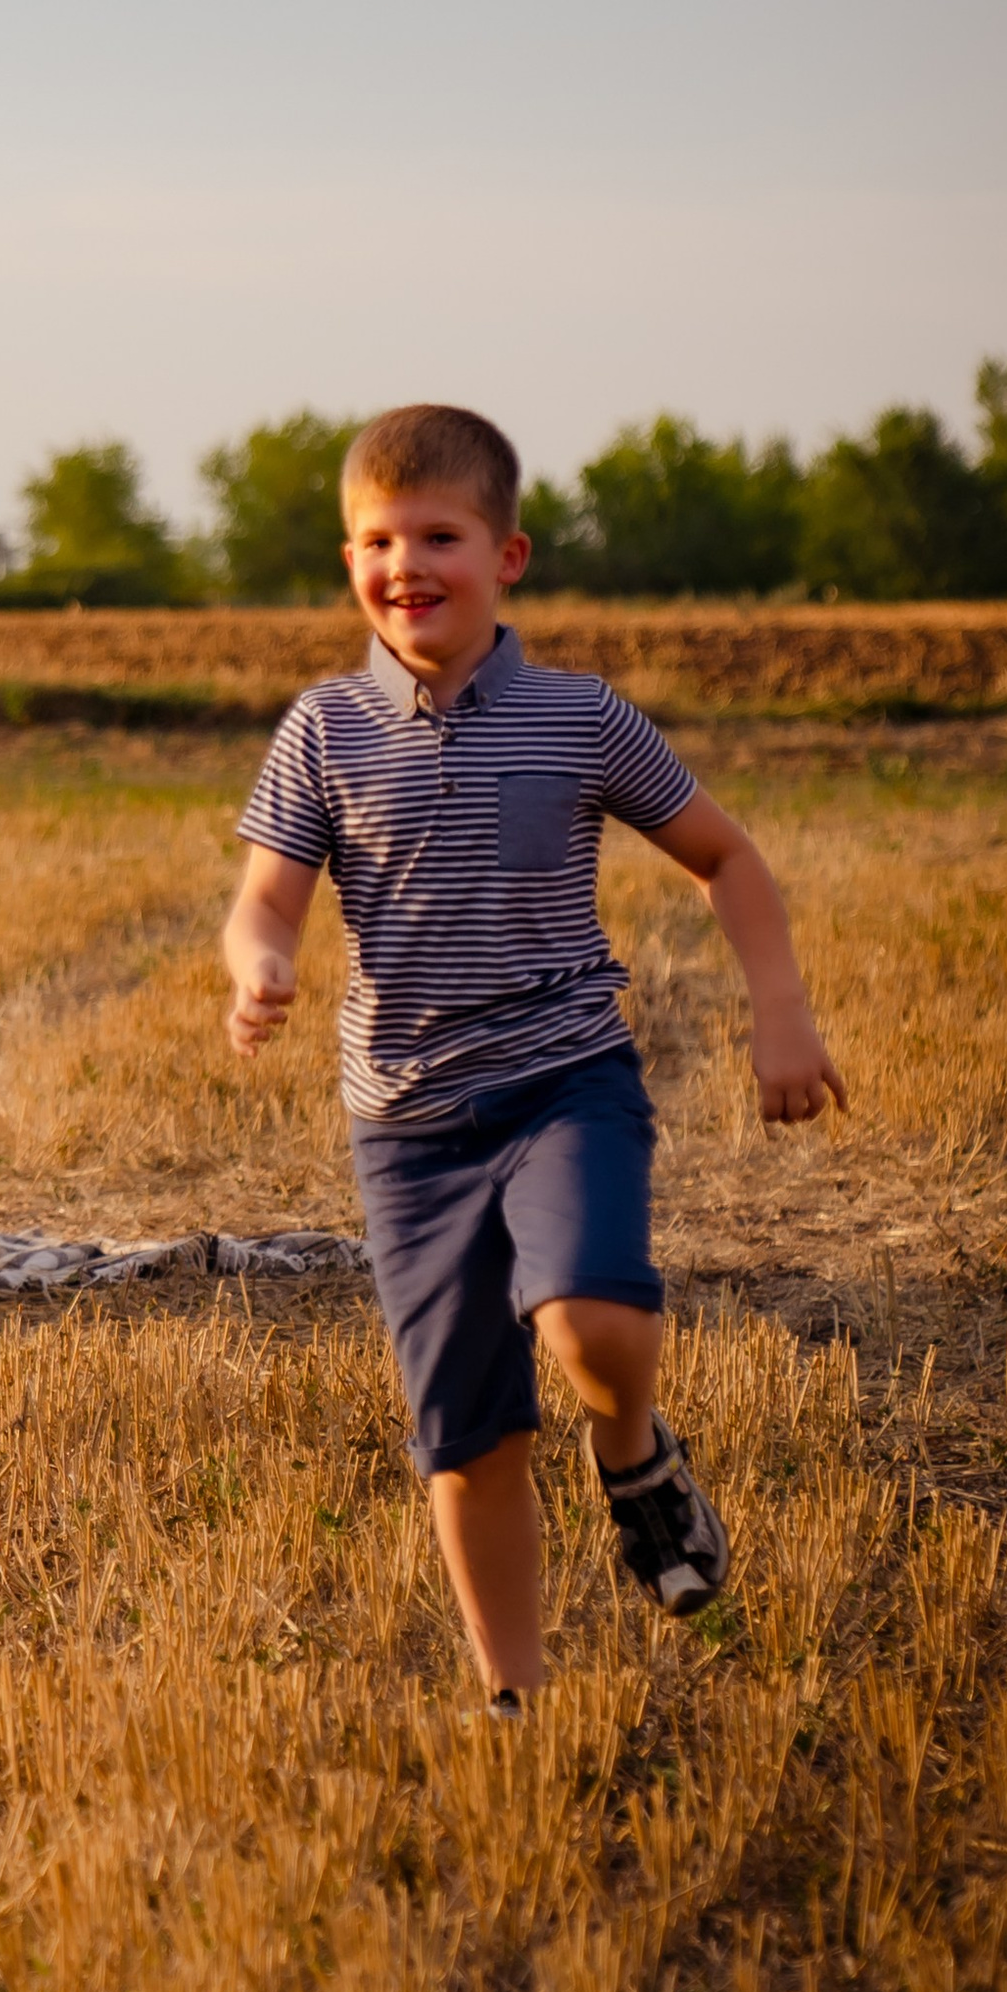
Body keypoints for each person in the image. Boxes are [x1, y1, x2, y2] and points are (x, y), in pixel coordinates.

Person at [221, 402, 843, 1712]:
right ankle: (515, 1698)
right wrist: (261, 958)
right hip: (408, 1127)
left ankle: (632, 1451)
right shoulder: (322, 732)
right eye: (375, 540)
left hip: (566, 1079)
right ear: (348, 563)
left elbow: (727, 856)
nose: (405, 565)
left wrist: (778, 1008)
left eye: (437, 534)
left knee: (592, 1321)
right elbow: (268, 895)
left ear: (508, 556)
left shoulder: (579, 718)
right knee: (467, 1434)